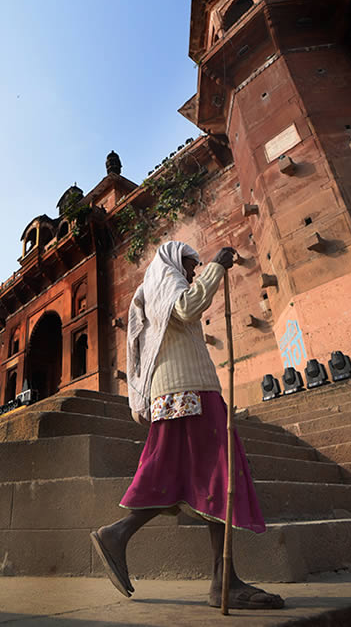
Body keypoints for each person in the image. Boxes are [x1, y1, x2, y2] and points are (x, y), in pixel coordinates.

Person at [91, 242, 284, 610]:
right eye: (190, 266)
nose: (194, 272)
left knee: (181, 478)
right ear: (174, 261)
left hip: (187, 391)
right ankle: (222, 580)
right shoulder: (164, 278)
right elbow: (188, 307)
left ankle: (121, 536)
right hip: (187, 391)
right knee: (219, 475)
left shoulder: (165, 284)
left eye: (196, 268)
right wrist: (216, 267)